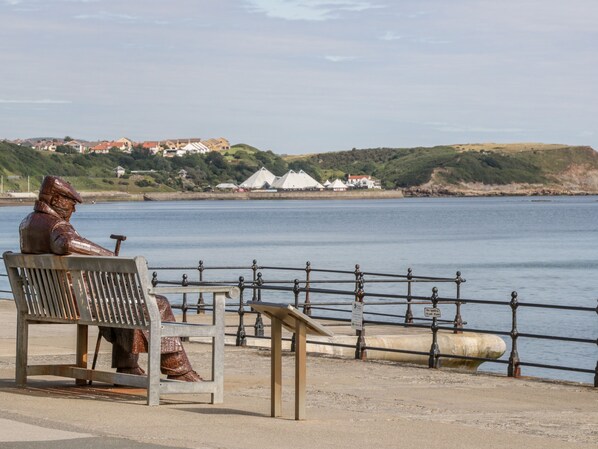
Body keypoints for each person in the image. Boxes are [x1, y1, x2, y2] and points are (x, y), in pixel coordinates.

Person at [19, 175, 201, 382]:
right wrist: (110, 256)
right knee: (157, 303)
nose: (73, 209)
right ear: (55, 199)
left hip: (53, 302)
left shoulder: (27, 223)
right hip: (77, 304)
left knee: (129, 302)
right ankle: (178, 369)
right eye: (71, 202)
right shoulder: (56, 226)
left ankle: (128, 366)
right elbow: (66, 243)